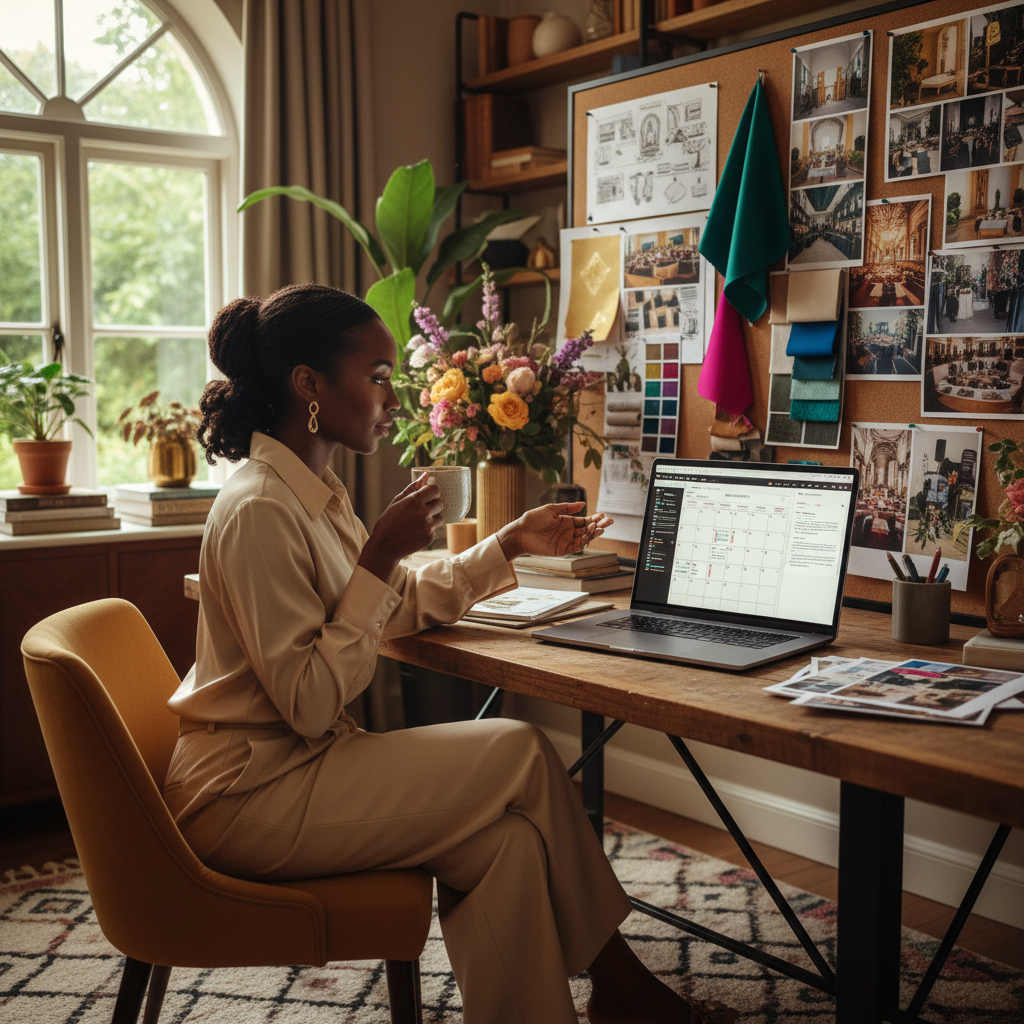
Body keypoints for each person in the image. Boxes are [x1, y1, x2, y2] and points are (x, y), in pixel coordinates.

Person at [161, 284, 735, 1024]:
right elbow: (307, 704)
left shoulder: (311, 491)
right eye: (374, 377)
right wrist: (377, 561)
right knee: (522, 750)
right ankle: (622, 985)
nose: (392, 399)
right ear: (309, 385)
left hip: (295, 770)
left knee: (506, 845)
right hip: (248, 796)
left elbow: (385, 611)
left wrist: (508, 545)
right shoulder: (259, 510)